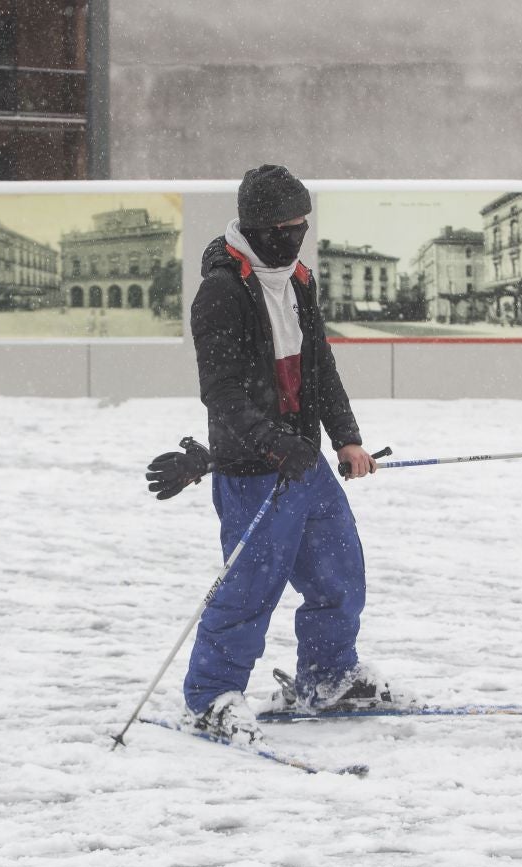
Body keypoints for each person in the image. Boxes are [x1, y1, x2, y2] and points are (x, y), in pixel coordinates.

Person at [162, 164, 389, 746]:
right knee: (248, 591)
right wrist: (273, 441)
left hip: (305, 464)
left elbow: (320, 367)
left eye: (302, 226)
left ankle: (328, 678)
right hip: (253, 471)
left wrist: (346, 437)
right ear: (260, 227)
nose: (296, 237)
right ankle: (211, 699)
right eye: (287, 228)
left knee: (340, 574)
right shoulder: (222, 292)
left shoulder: (298, 281)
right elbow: (222, 393)